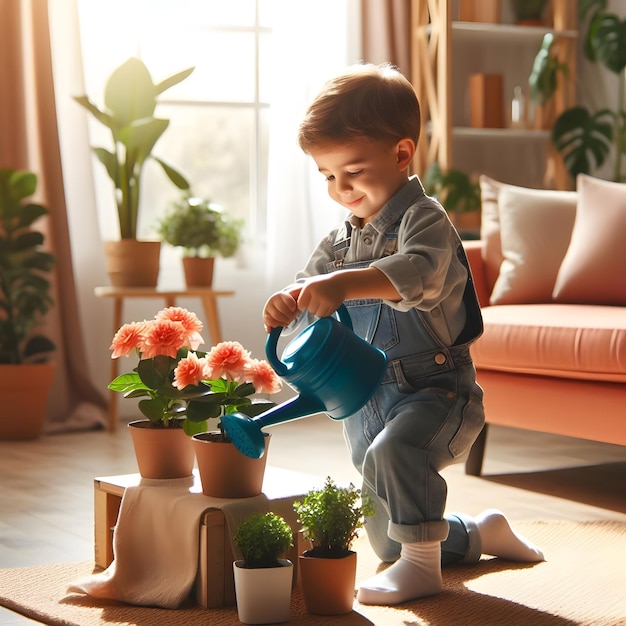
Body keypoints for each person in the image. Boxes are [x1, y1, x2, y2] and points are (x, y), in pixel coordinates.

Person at [263, 62, 543, 606]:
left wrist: (342, 284)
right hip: (367, 400)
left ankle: (424, 571)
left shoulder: (426, 219)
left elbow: (419, 274)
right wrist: (287, 303)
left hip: (436, 392)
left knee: (397, 456)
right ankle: (482, 532)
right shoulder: (341, 240)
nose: (340, 189)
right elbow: (308, 290)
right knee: (388, 537)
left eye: (353, 172)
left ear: (400, 154)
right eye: (326, 176)